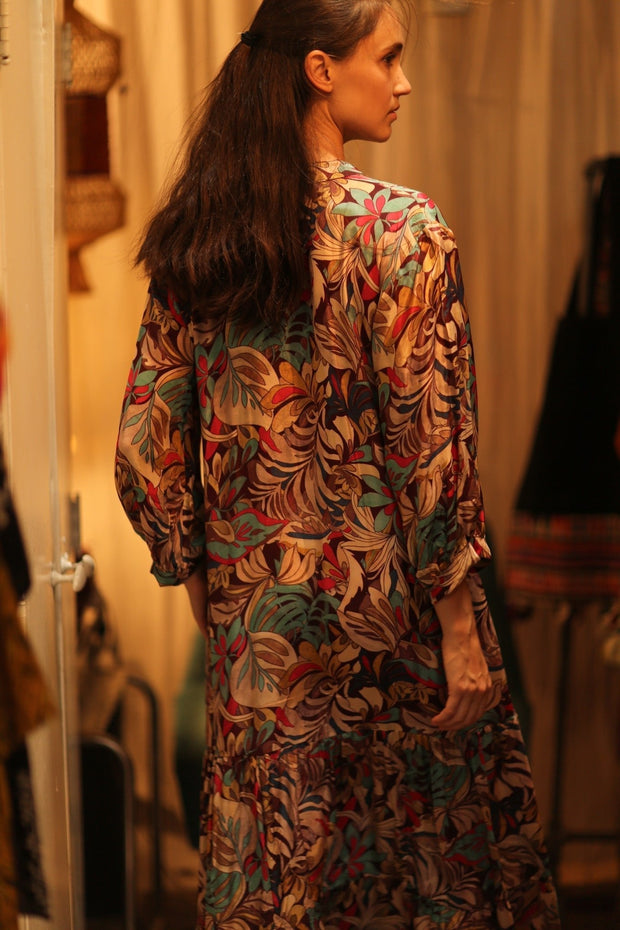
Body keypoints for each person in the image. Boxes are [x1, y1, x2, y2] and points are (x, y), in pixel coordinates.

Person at [115, 1, 561, 927]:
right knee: (425, 879)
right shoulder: (403, 231)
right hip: (394, 637)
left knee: (278, 884)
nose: (404, 82)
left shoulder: (199, 239)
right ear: (320, 69)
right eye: (387, 58)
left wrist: (204, 579)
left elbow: (148, 447)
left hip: (262, 644)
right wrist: (460, 627)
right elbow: (431, 450)